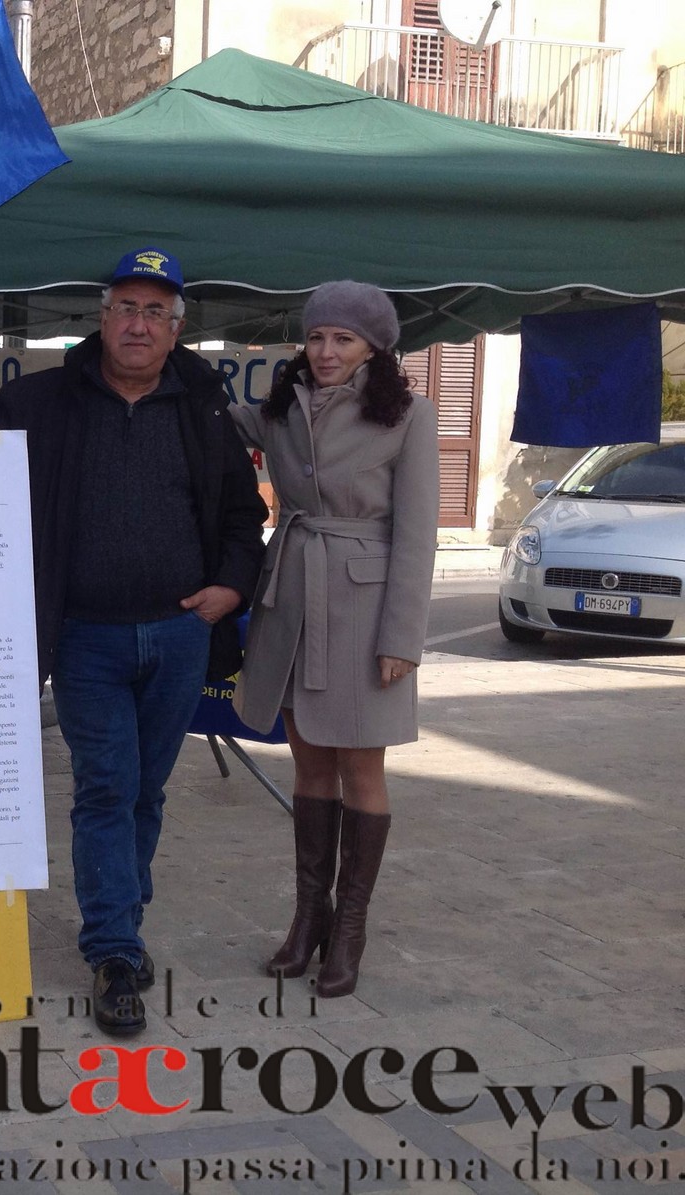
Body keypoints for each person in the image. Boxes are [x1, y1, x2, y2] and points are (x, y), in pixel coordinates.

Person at [0, 246, 267, 1036]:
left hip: (181, 634)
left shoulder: (204, 407)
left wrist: (234, 586)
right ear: (101, 321)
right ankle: (114, 949)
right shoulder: (48, 399)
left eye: (155, 313)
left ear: (176, 330)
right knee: (106, 788)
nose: (138, 325)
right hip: (85, 640)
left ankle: (123, 916)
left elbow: (245, 518)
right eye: (126, 309)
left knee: (147, 789)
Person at [228, 280, 439, 999]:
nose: (324, 352)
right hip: (293, 603)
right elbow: (222, 423)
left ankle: (350, 929)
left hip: (366, 610)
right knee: (310, 766)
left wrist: (402, 638)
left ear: (374, 348)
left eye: (343, 339)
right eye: (316, 337)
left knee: (362, 772)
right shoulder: (281, 407)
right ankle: (307, 919)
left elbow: (416, 538)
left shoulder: (409, 416)